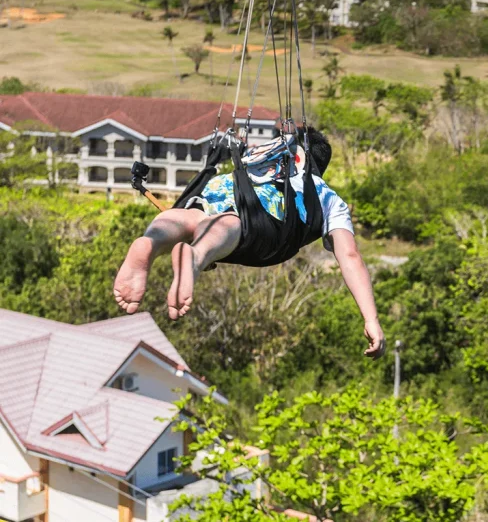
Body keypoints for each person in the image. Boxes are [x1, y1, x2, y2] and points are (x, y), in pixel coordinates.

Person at [113, 128, 385, 359]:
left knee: (188, 217)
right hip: (265, 223)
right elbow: (349, 256)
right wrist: (371, 319)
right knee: (233, 224)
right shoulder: (322, 193)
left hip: (224, 187)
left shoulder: (255, 168)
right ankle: (196, 256)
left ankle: (149, 242)